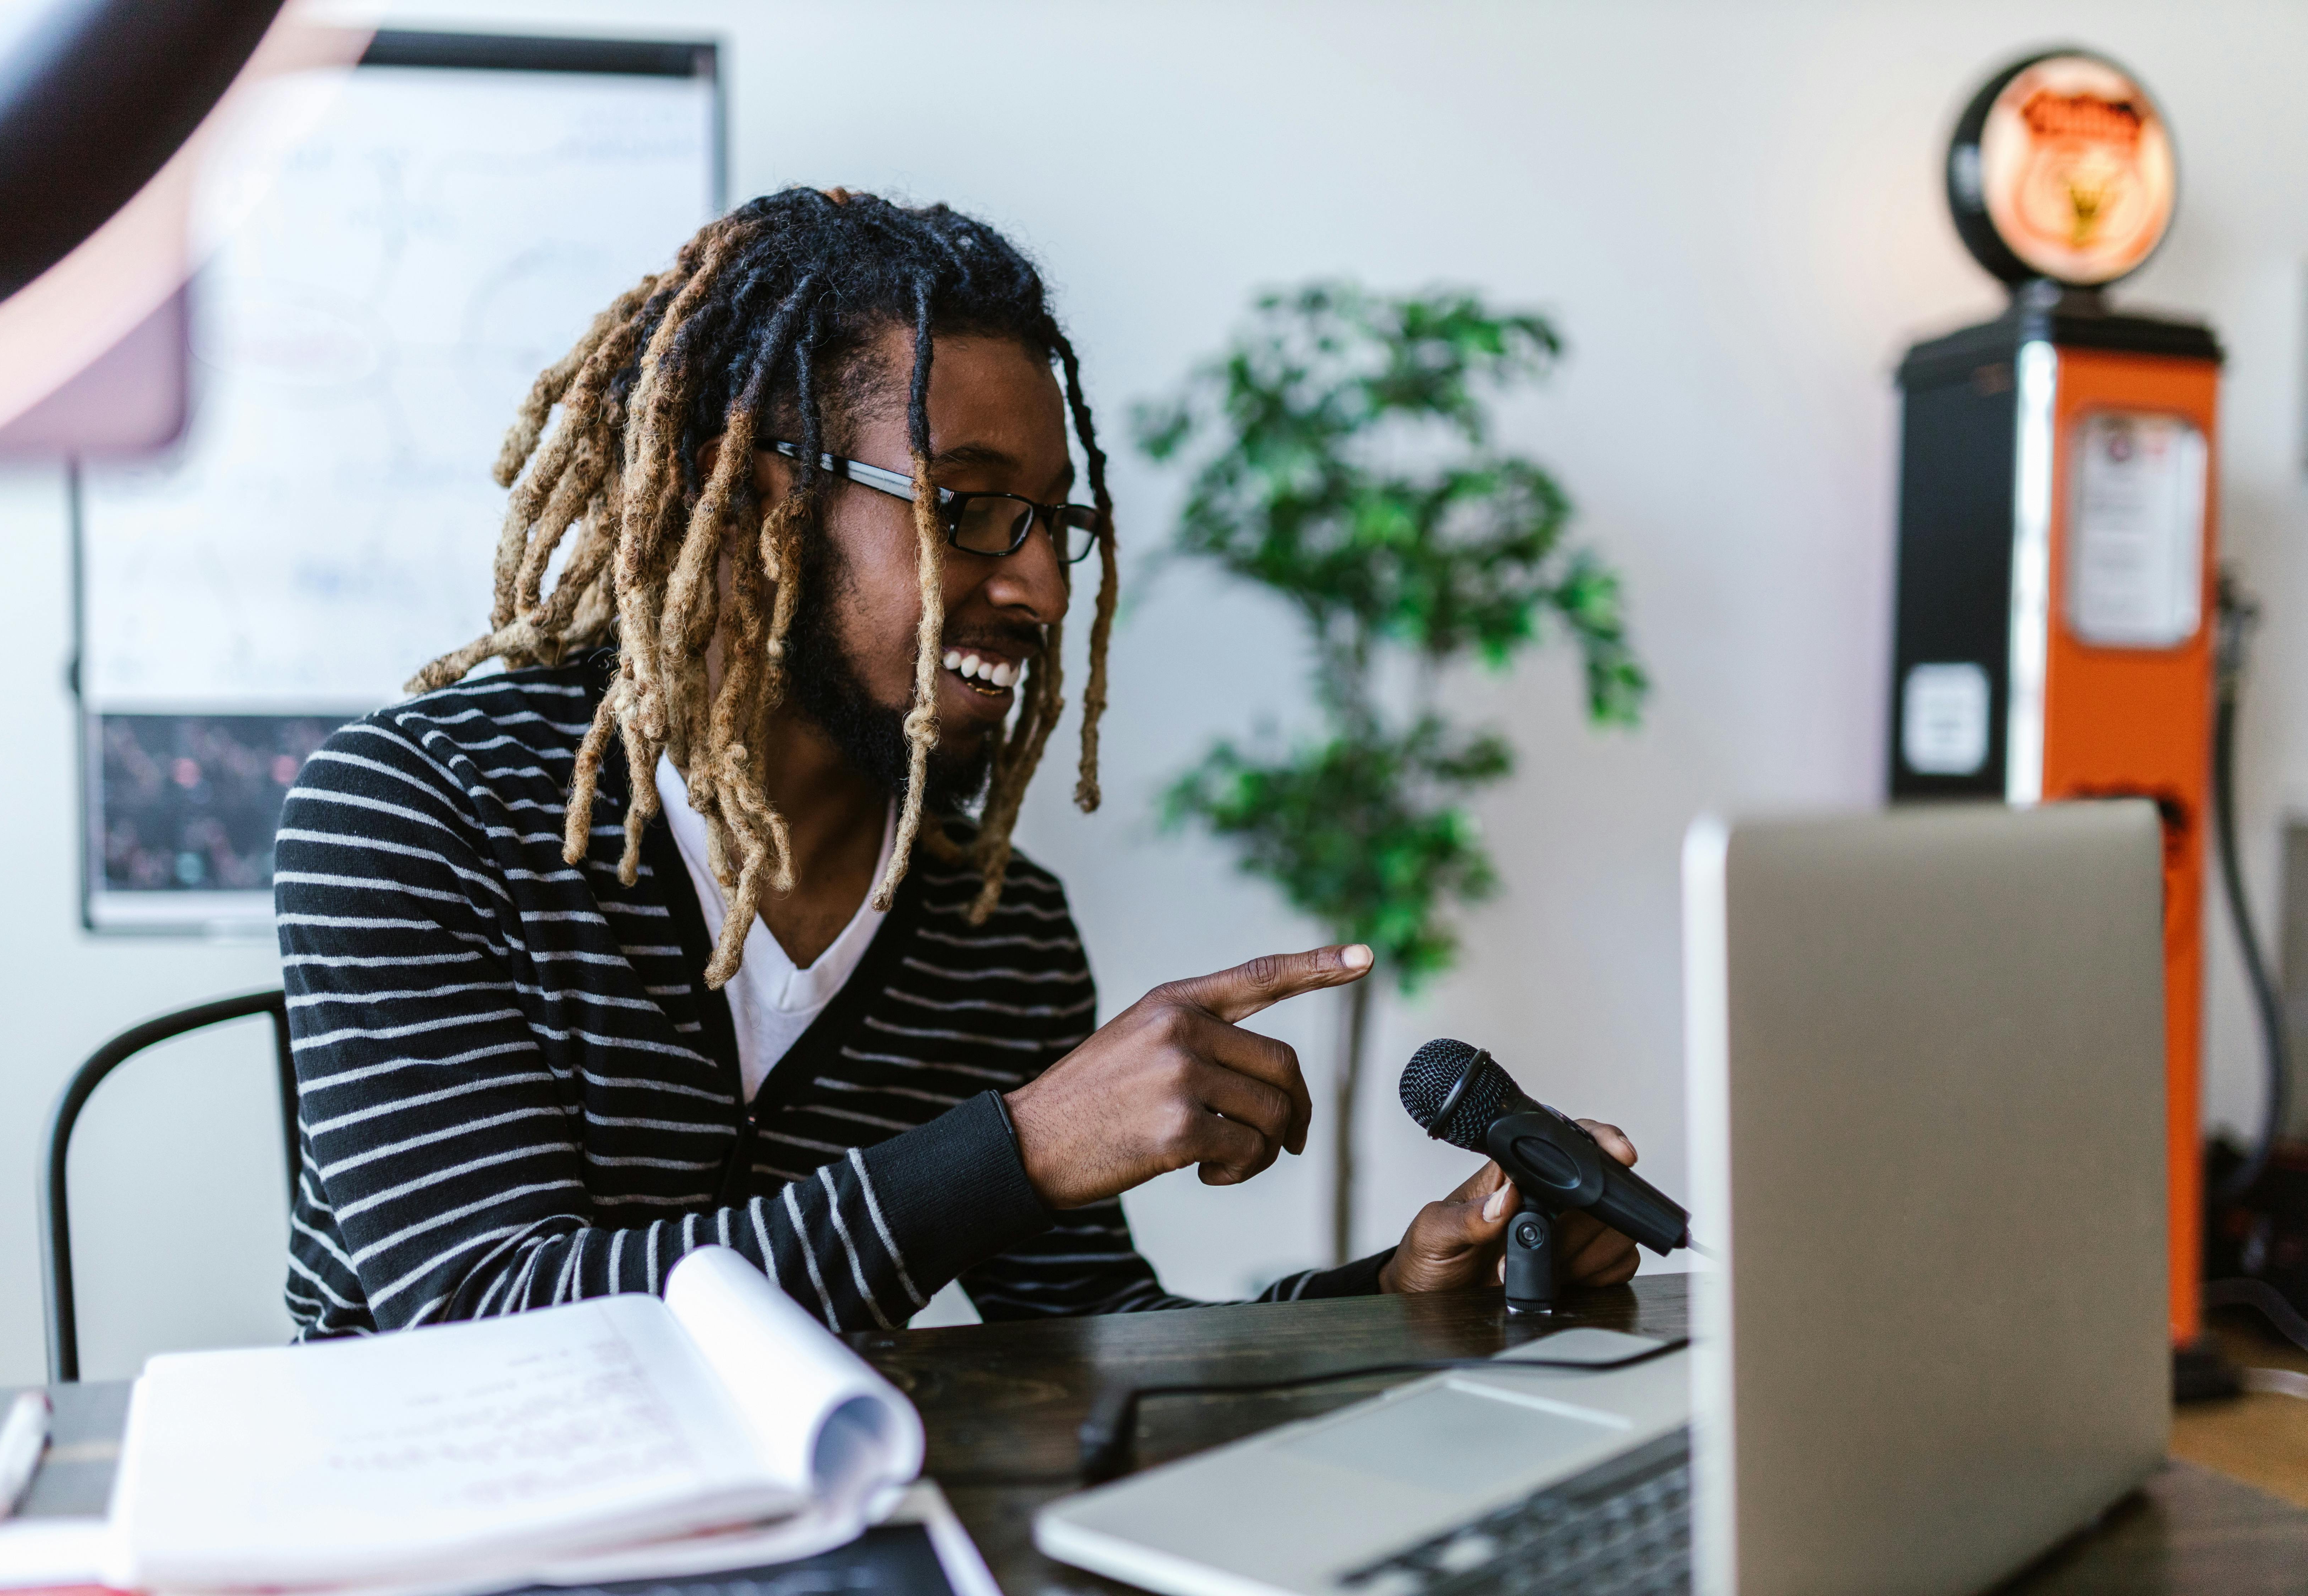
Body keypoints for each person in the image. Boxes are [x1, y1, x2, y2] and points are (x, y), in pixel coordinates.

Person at [277, 187, 1642, 1338]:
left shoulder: (995, 930)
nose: (1041, 586)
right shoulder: (420, 816)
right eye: (972, 508)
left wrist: (1394, 1295)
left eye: (1056, 522)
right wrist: (1027, 1146)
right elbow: (488, 1325)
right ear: (760, 493)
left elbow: (1089, 1343)